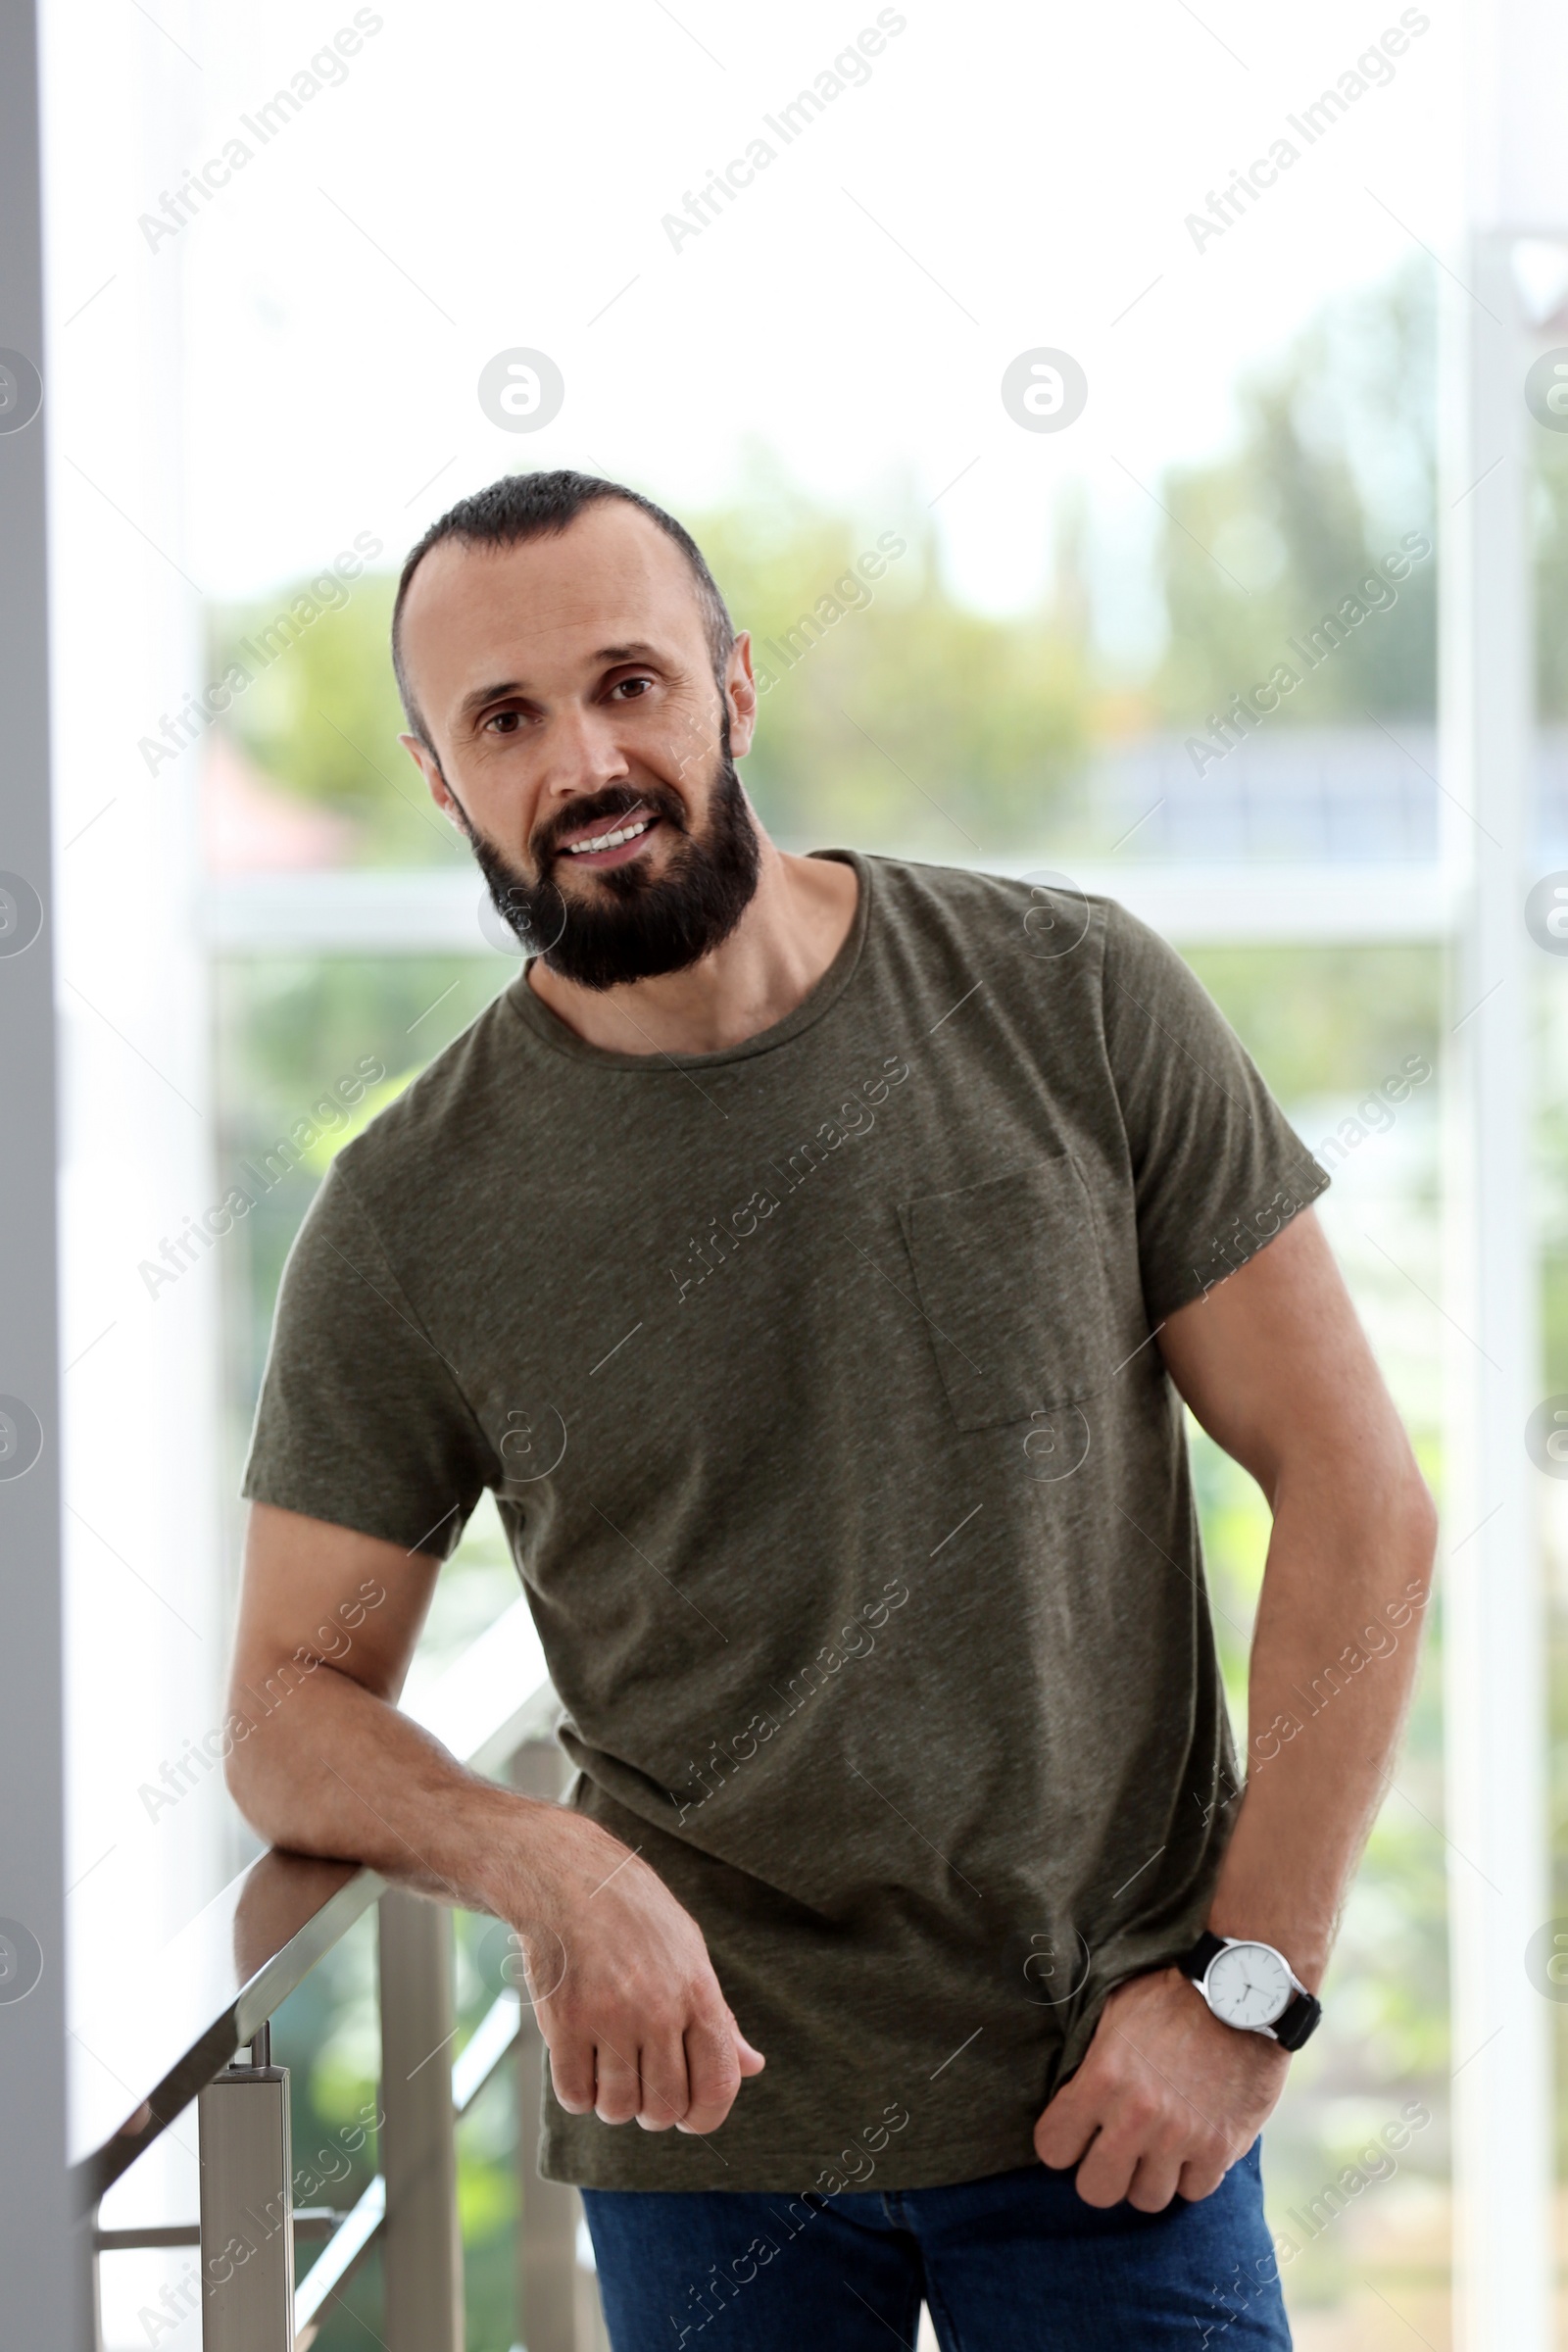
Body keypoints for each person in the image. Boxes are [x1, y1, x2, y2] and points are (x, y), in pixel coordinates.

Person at [226, 469, 1438, 2350]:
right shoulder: (407, 1215)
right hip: (710, 2147)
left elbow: (1358, 1494)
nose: (585, 759)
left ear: (731, 685)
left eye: (629, 680)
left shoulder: (1074, 999)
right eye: (507, 718)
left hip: (1117, 2105)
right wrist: (547, 1860)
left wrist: (1247, 1993)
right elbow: (287, 1712)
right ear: (438, 776)